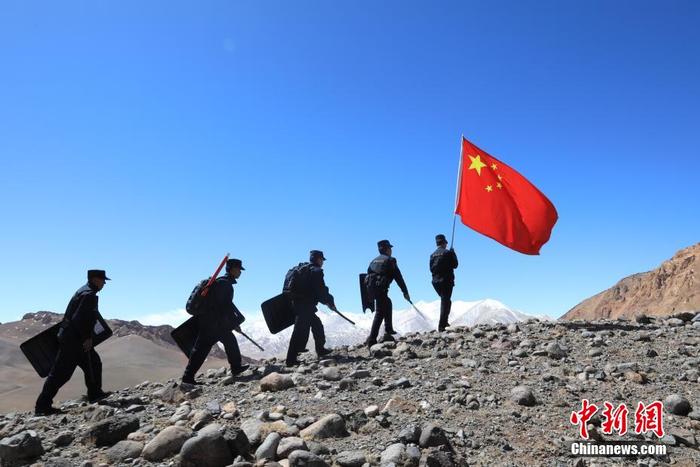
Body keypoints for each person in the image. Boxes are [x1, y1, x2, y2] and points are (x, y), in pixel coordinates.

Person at [35, 270, 112, 416]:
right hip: (74, 341)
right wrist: (87, 338)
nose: (104, 283)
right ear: (95, 279)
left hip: (73, 338)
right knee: (60, 374)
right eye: (103, 280)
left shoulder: (84, 292)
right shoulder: (88, 295)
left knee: (94, 363)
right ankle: (42, 406)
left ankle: (95, 394)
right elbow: (79, 319)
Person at [182, 258, 249, 385]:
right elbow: (225, 307)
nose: (240, 272)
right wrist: (234, 323)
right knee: (204, 348)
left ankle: (235, 368)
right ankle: (187, 377)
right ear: (233, 269)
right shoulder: (225, 284)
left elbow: (224, 306)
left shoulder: (221, 283)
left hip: (210, 321)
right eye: (239, 269)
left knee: (213, 346)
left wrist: (233, 323)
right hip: (214, 323)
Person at [285, 250, 335, 367]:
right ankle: (290, 360)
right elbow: (321, 290)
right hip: (305, 305)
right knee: (298, 332)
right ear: (319, 259)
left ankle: (320, 349)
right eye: (322, 260)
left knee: (316, 324)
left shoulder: (300, 269)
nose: (322, 262)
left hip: (297, 304)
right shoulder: (316, 272)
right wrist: (329, 301)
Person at [365, 240, 410, 348]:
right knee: (380, 313)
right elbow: (398, 277)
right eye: (390, 248)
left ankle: (388, 328)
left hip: (372, 291)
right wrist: (405, 292)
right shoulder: (390, 260)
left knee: (387, 303)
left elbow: (367, 276)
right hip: (381, 290)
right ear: (387, 249)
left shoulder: (373, 261)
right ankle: (372, 339)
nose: (391, 250)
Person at [430, 234, 459, 332]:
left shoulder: (432, 255)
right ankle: (441, 326)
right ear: (444, 243)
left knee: (446, 301)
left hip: (435, 282)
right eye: (446, 243)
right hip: (446, 281)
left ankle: (445, 322)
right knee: (445, 301)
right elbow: (455, 265)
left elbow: (431, 269)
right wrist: (453, 253)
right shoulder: (448, 253)